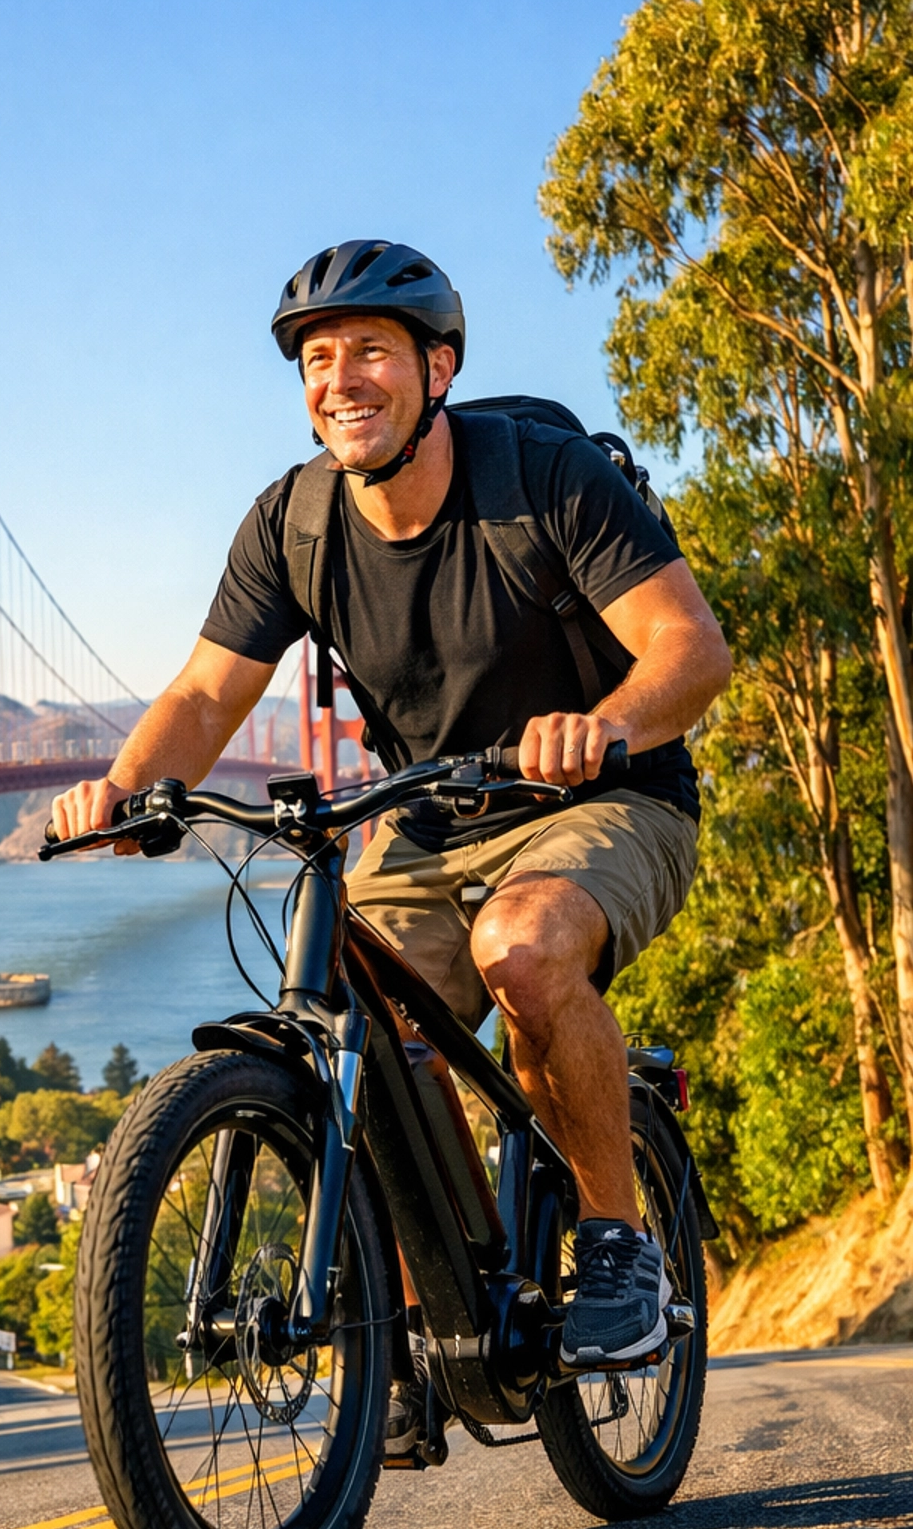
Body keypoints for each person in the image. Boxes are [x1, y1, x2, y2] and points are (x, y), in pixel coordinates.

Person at [50, 239, 731, 1445]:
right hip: (429, 816)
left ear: (438, 369)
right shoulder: (296, 522)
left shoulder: (546, 477)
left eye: (370, 350)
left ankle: (616, 1243)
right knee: (359, 1030)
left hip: (609, 796)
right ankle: (425, 1321)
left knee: (524, 950)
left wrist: (604, 727)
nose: (340, 380)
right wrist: (126, 791)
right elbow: (206, 692)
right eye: (318, 360)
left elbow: (691, 650)